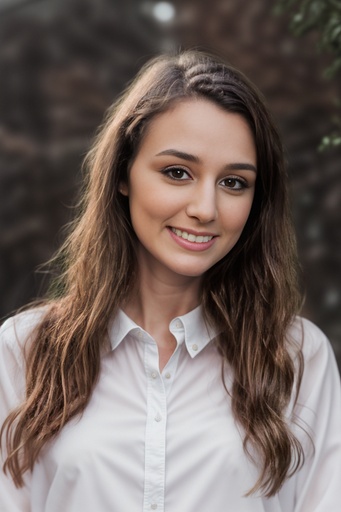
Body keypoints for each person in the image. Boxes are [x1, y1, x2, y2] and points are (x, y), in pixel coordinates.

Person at [0, 50, 340, 512]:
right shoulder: (23, 351)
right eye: (177, 172)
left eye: (234, 182)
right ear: (123, 174)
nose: (205, 208)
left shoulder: (298, 358)